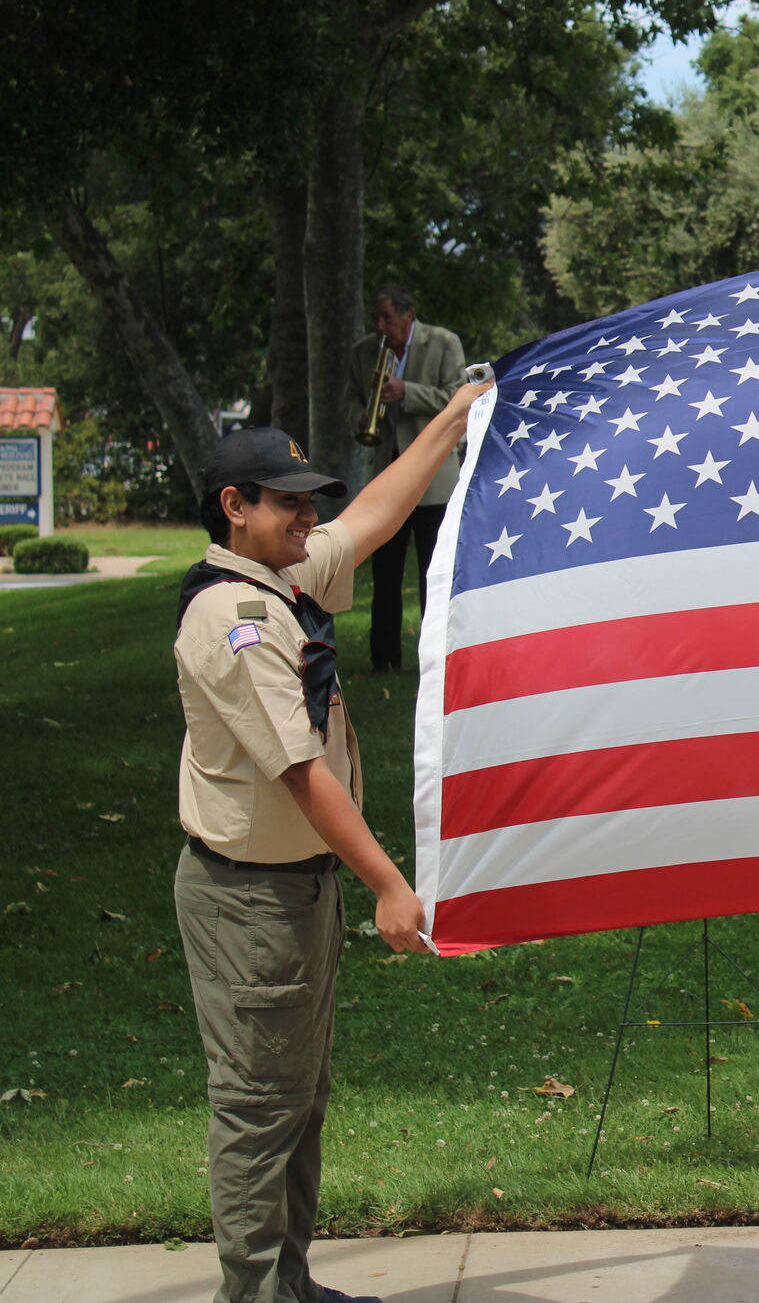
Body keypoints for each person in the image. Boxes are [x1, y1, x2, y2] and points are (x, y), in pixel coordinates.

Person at [173, 380, 490, 1303]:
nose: (307, 516)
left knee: (298, 1099)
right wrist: (390, 883)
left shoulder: (277, 579)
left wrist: (452, 419)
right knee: (258, 1106)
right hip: (250, 898)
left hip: (296, 890)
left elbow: (373, 520)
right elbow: (302, 772)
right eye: (287, 502)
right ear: (235, 507)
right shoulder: (232, 619)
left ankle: (291, 1285)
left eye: (308, 499)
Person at [349, 283, 465, 671]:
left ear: (408, 316)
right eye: (376, 319)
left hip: (434, 478)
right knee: (385, 573)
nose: (381, 327)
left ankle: (438, 656)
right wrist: (361, 418)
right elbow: (351, 401)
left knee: (436, 573)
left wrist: (406, 391)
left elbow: (458, 397)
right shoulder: (363, 351)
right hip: (388, 476)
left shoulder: (443, 343)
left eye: (388, 318)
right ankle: (384, 658)